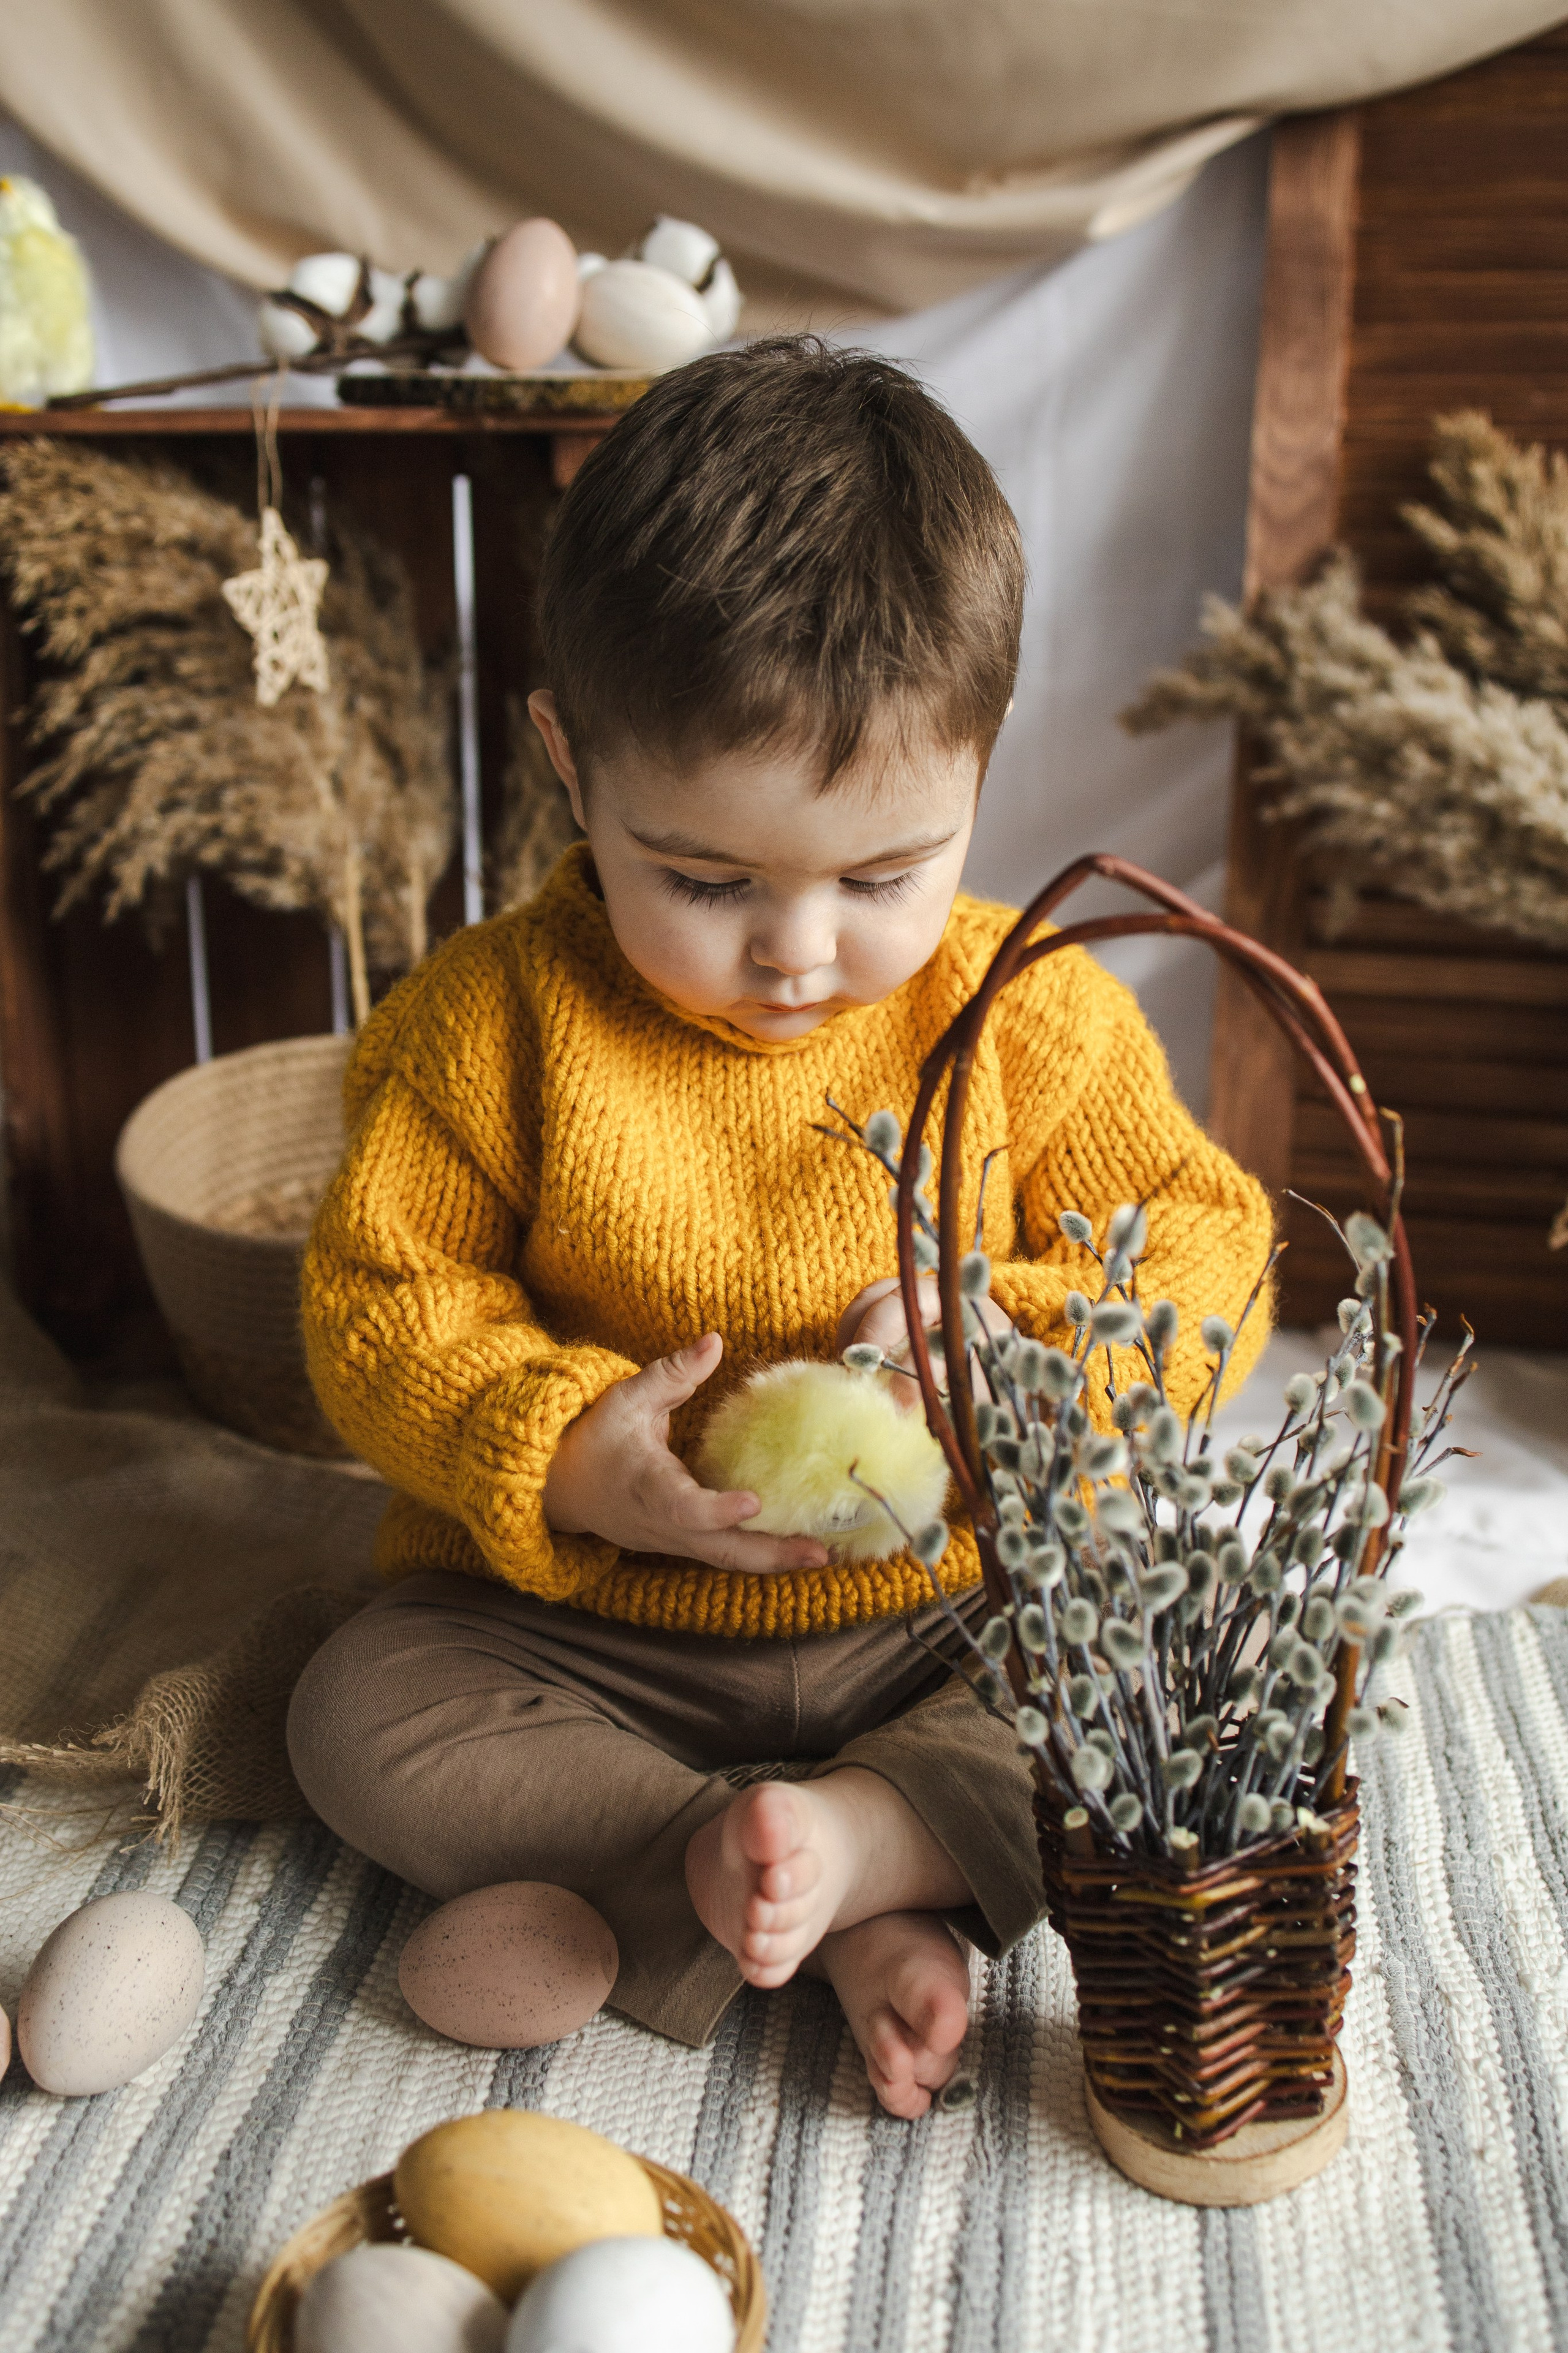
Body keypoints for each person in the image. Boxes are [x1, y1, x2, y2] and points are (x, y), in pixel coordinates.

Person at [289, 338, 1272, 2117]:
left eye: (881, 875)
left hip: (940, 1615)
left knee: (1171, 1668)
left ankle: (866, 1831)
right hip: (596, 1633)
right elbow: (382, 1300)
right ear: (567, 761)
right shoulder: (489, 1024)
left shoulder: (1024, 1013)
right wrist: (570, 1455)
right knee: (356, 1708)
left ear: (980, 764)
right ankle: (781, 1879)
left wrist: (1011, 1348)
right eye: (710, 878)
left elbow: (1206, 1248)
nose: (799, 949)